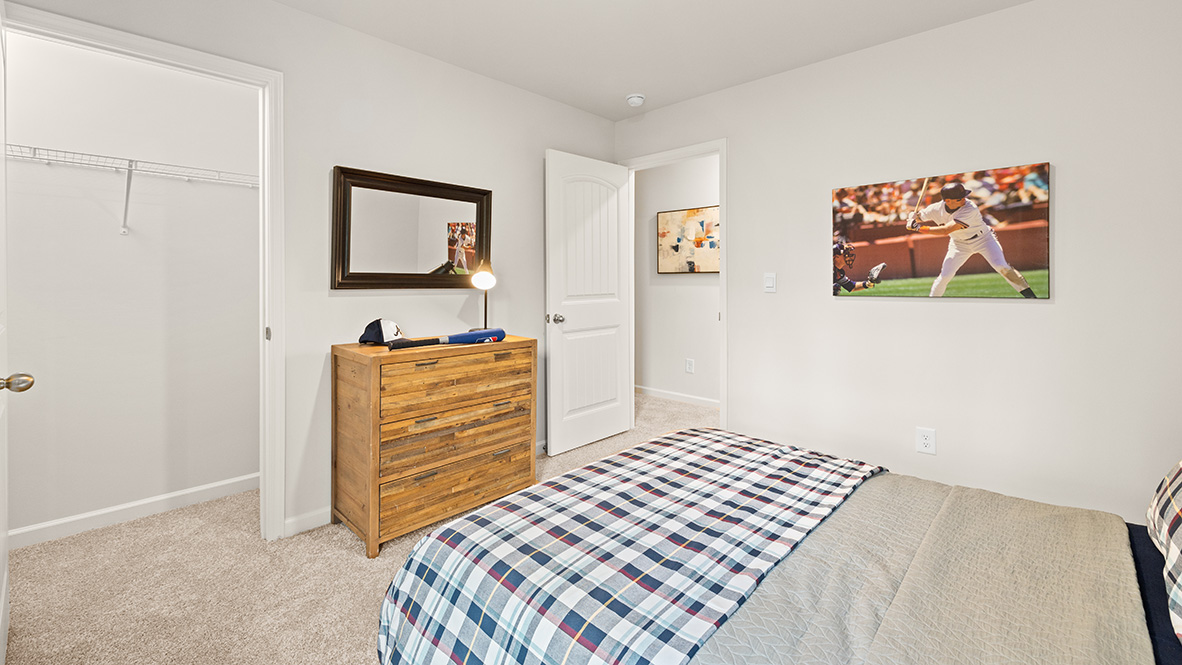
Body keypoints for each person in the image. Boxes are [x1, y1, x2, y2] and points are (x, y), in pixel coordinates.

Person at [906, 182, 1036, 298]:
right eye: (960, 198)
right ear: (948, 201)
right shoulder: (935, 209)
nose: (964, 199)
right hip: (958, 245)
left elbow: (946, 230)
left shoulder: (970, 208)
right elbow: (919, 217)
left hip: (984, 239)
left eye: (964, 196)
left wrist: (917, 227)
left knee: (1001, 266)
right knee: (945, 276)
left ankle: (1031, 298)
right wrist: (913, 217)